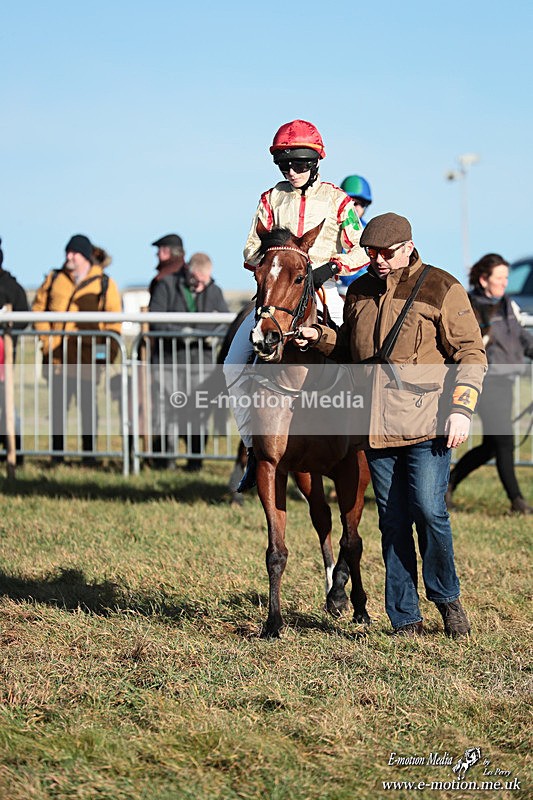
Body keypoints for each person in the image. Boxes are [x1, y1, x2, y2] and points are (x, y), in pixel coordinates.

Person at [295, 212, 487, 638]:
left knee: (429, 512)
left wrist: (462, 408)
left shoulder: (442, 286)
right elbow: (350, 349)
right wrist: (319, 337)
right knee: (393, 521)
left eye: (386, 252)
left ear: (408, 247)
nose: (378, 260)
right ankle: (405, 617)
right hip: (376, 427)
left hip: (429, 424)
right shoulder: (359, 291)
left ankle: (447, 598)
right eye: (371, 253)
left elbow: (471, 353)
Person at [225, 119, 368, 492]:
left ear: (315, 162)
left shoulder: (338, 201)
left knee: (357, 354)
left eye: (300, 163)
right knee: (232, 364)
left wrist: (330, 268)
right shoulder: (270, 199)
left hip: (325, 290)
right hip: (278, 295)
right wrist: (276, 260)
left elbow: (361, 248)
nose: (292, 170)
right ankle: (254, 449)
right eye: (285, 164)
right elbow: (249, 249)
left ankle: (364, 442)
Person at [446, 253, 533, 515]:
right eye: (500, 278)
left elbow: (522, 338)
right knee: (504, 441)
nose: (505, 282)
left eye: (507, 277)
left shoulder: (507, 304)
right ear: (484, 279)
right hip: (486, 381)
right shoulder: (470, 306)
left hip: (506, 380)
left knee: (492, 445)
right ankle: (518, 502)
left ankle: (448, 483)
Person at [32, 234, 122, 465]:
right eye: (67, 251)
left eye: (74, 252)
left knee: (88, 408)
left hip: (87, 359)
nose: (68, 256)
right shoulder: (54, 279)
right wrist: (47, 341)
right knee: (58, 408)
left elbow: (113, 324)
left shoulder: (104, 283)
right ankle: (57, 456)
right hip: (58, 359)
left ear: (85, 256)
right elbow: (38, 310)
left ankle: (89, 456)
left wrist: (104, 357)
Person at [149, 251, 229, 471]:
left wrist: (213, 335)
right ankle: (166, 460)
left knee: (198, 411)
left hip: (201, 363)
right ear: (189, 272)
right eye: (197, 281)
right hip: (170, 361)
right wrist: (181, 332)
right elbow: (155, 320)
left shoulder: (214, 290)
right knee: (168, 410)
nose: (201, 286)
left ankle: (195, 461)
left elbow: (225, 320)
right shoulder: (166, 286)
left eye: (205, 282)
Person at [0, 237, 29, 462]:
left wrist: (9, 329)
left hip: (3, 360)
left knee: (6, 406)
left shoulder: (10, 287)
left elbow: (23, 316)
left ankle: (14, 452)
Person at [338, 175, 373, 297]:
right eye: (350, 202)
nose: (354, 207)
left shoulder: (371, 231)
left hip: (365, 290)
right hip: (336, 286)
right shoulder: (330, 227)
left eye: (358, 204)